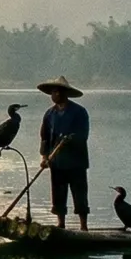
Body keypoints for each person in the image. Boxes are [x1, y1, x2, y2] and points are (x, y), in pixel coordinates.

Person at [38, 75, 91, 230]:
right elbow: (45, 137)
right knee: (58, 195)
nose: (55, 95)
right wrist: (44, 156)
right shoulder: (49, 114)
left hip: (76, 161)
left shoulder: (79, 112)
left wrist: (70, 139)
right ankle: (61, 224)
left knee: (79, 194)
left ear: (65, 94)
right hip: (57, 162)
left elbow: (83, 134)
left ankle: (83, 226)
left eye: (59, 92)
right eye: (53, 93)